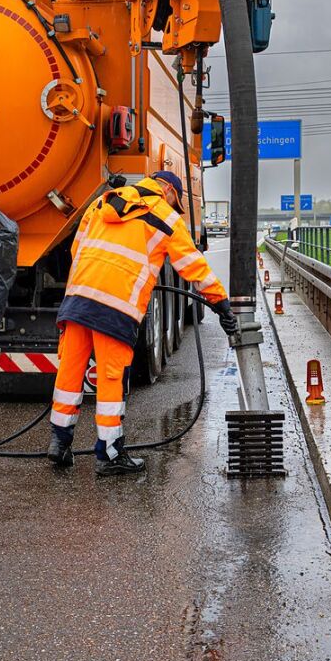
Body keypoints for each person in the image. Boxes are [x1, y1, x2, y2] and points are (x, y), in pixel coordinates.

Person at [48, 171, 237, 476]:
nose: (175, 206)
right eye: (176, 199)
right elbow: (194, 267)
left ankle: (59, 442)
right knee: (110, 379)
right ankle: (109, 455)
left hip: (78, 298)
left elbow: (77, 249)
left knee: (70, 371)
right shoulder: (164, 216)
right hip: (115, 306)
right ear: (167, 190)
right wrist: (222, 305)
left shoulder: (101, 203)